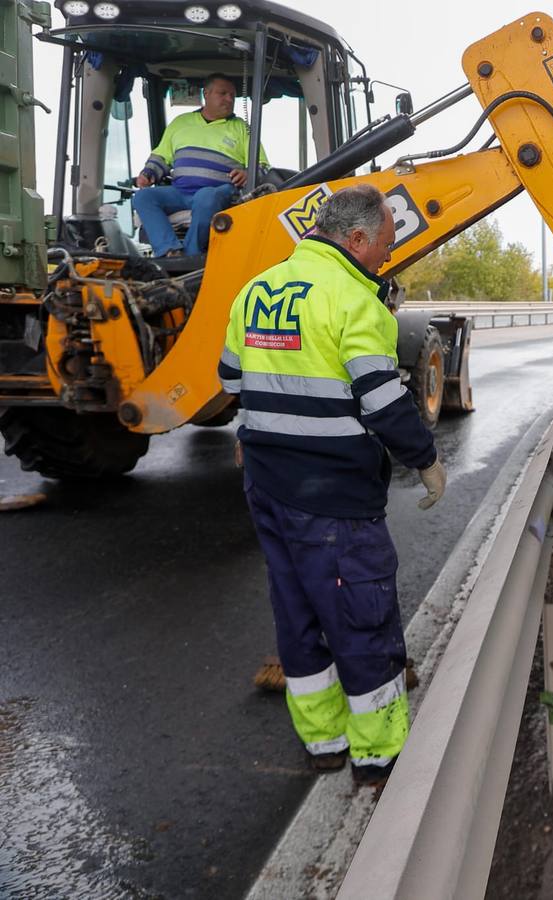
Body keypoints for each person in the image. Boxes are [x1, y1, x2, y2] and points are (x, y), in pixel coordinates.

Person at [216, 184, 446, 786]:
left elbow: (231, 376)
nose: (386, 258)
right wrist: (424, 457)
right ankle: (377, 757)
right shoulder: (354, 300)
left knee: (295, 612)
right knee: (361, 618)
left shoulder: (256, 290)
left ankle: (323, 742)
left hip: (267, 488)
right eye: (386, 246)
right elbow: (382, 399)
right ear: (358, 239)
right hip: (334, 501)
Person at [133, 73, 268, 257]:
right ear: (207, 93)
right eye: (223, 93)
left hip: (220, 191)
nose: (229, 99)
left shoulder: (242, 128)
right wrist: (148, 173)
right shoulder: (181, 123)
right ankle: (169, 250)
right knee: (143, 197)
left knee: (205, 196)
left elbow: (263, 166)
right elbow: (162, 156)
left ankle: (191, 255)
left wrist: (247, 173)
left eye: (232, 95)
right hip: (180, 192)